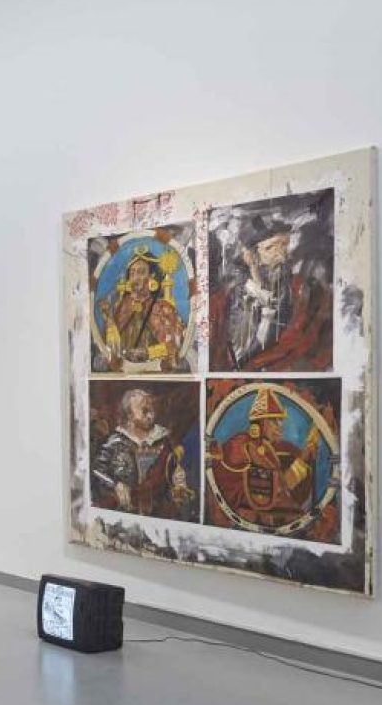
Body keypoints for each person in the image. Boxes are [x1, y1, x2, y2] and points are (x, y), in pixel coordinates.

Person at [207, 387, 320, 530]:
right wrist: (298, 466)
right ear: (260, 423)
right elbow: (271, 489)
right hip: (251, 515)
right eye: (274, 422)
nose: (280, 427)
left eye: (280, 422)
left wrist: (306, 456)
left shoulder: (275, 447)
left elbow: (286, 487)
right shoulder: (241, 445)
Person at [219, 227, 329, 371]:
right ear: (251, 257)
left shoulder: (298, 288)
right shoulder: (237, 294)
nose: (280, 254)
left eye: (284, 245)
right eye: (270, 248)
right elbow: (235, 347)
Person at [92, 387, 195, 520]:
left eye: (151, 410)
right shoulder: (115, 442)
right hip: (125, 513)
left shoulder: (164, 439)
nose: (150, 416)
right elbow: (96, 470)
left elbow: (174, 467)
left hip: (159, 513)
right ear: (130, 414)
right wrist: (115, 484)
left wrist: (179, 483)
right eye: (144, 411)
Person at [97, 245, 187, 371]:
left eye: (141, 272)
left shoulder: (162, 308)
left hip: (154, 370)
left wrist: (147, 353)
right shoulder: (121, 306)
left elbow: (176, 343)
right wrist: (109, 320)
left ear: (152, 276)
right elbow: (110, 348)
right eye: (132, 273)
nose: (135, 278)